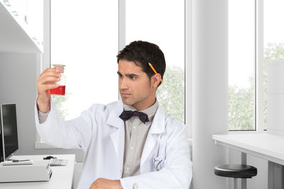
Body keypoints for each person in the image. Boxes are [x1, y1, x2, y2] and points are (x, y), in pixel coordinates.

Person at [35, 40, 192, 189]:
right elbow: (58, 135)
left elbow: (179, 178)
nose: (122, 85)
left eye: (132, 77)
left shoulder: (174, 131)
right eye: (120, 75)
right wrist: (43, 100)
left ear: (155, 80)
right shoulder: (98, 117)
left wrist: (120, 185)